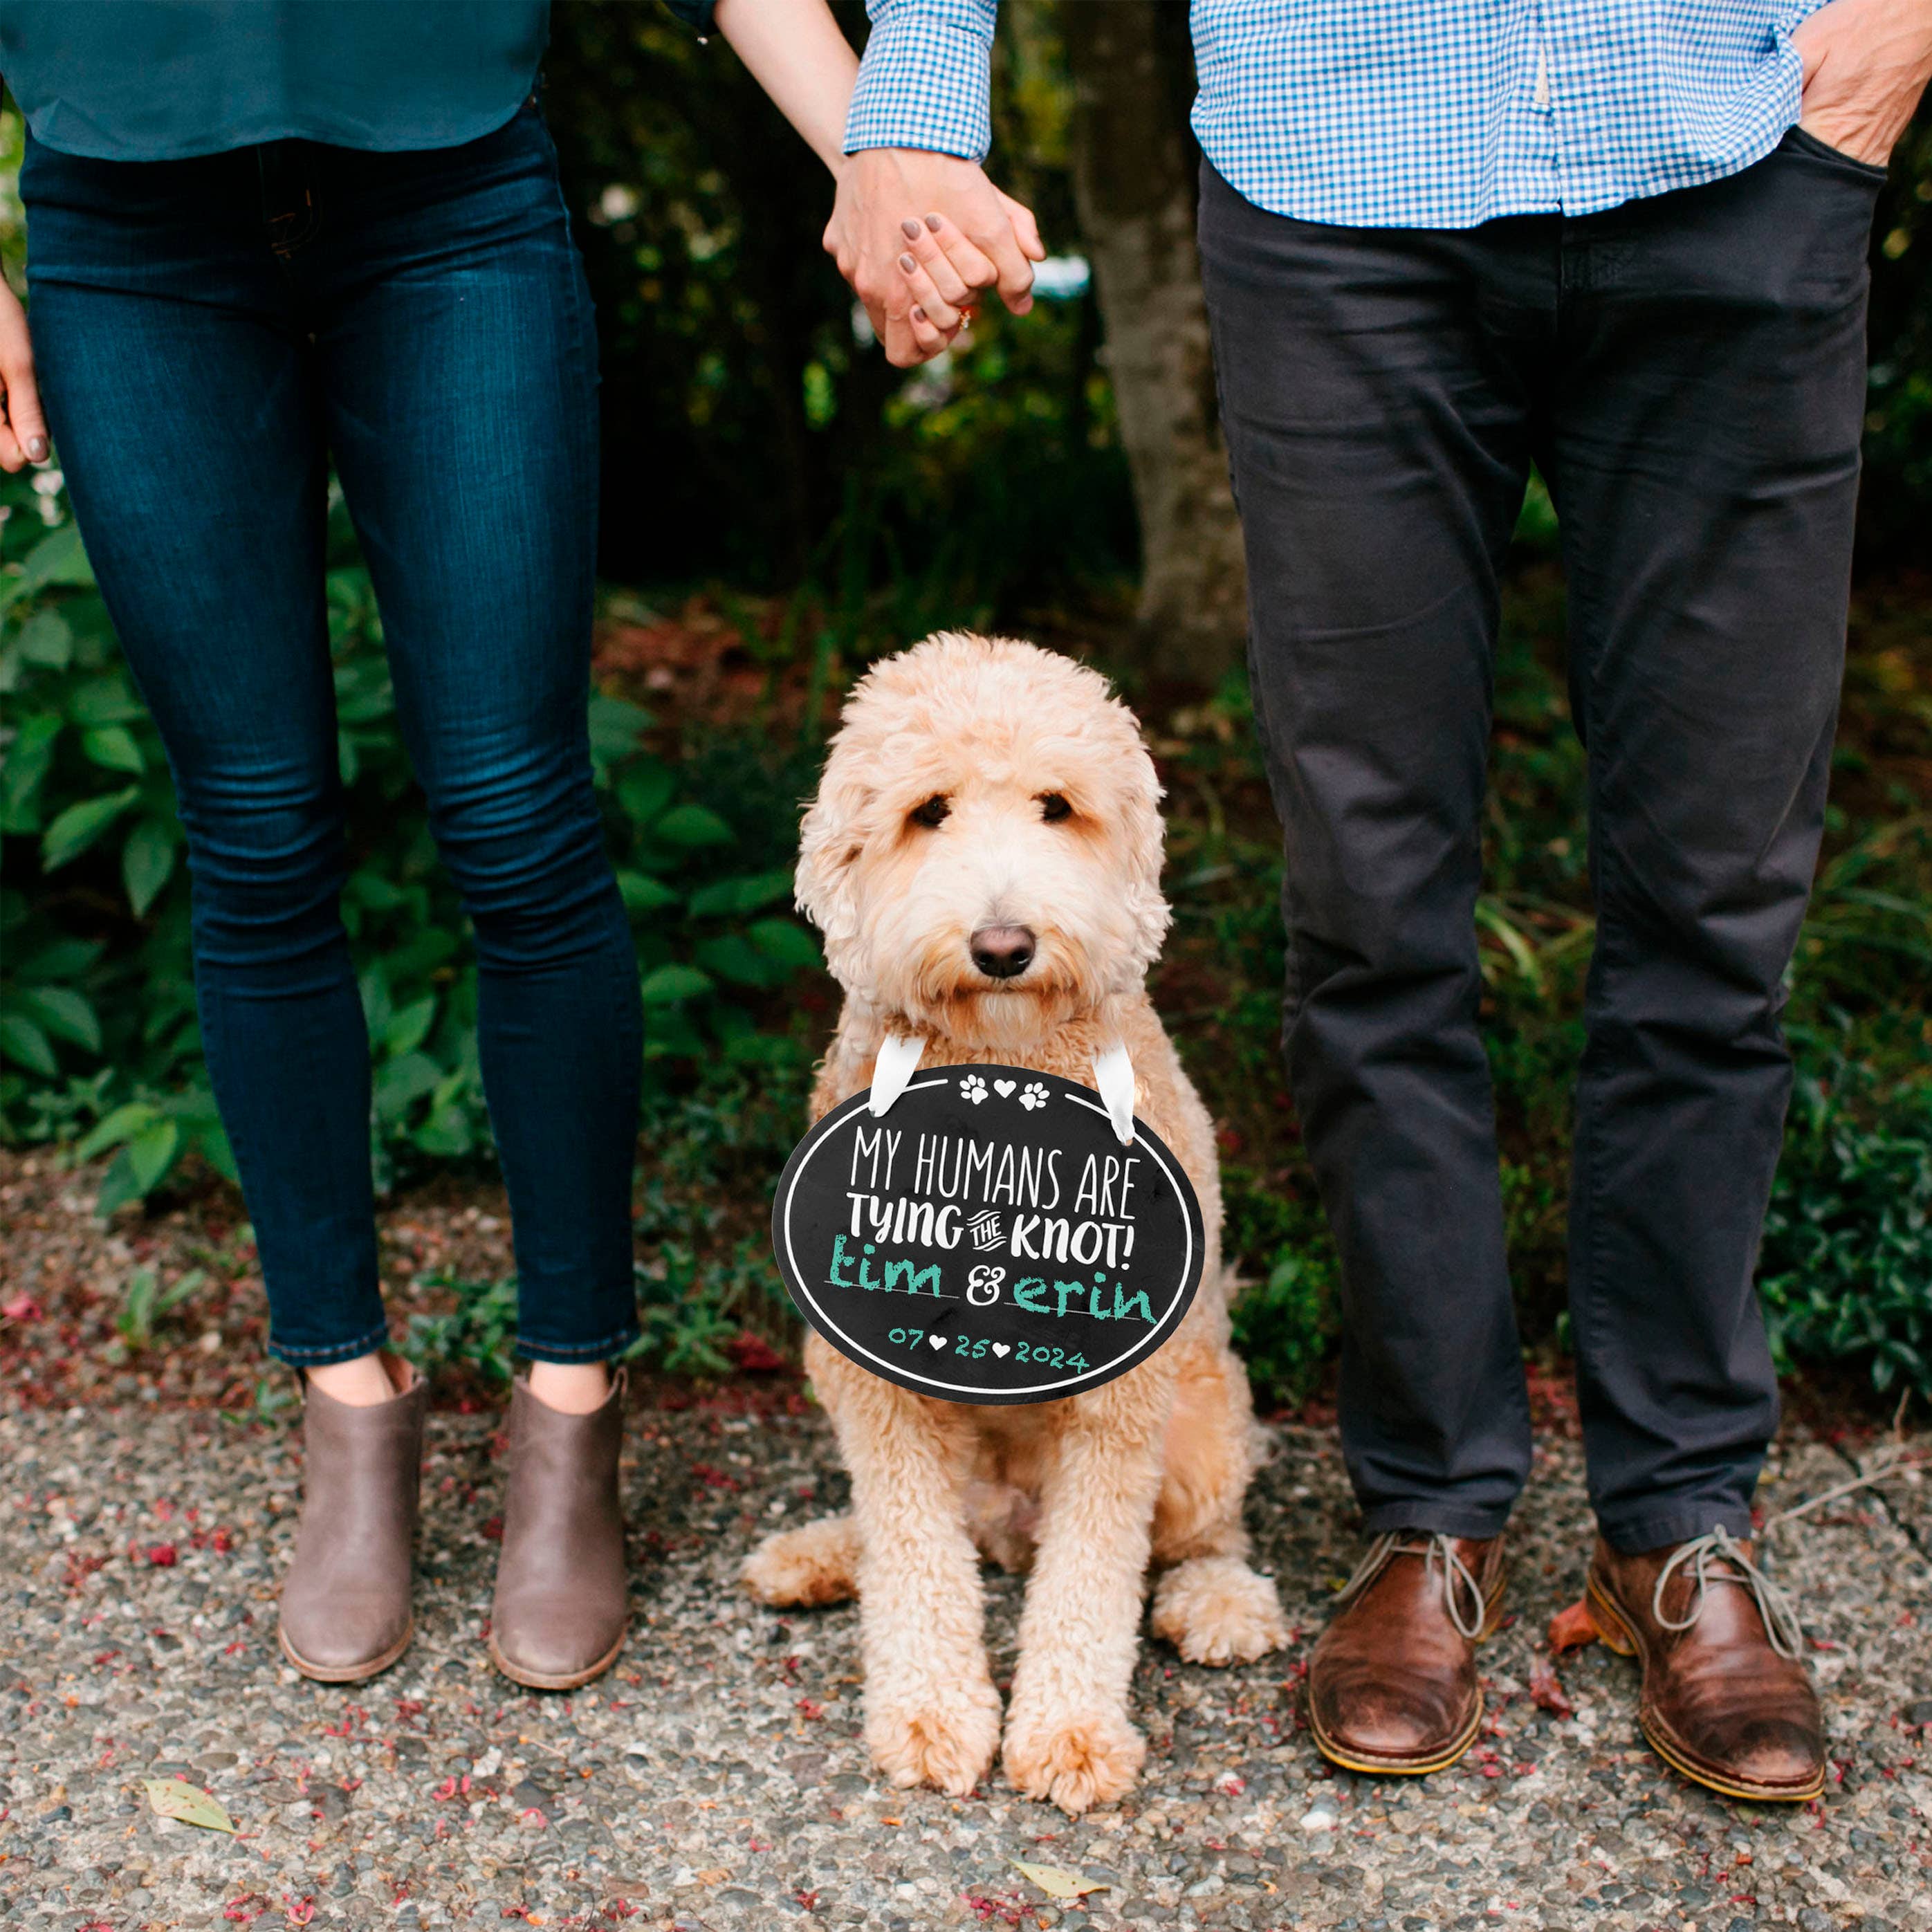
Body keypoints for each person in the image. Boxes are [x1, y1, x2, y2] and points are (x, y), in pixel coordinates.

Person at [828, 0, 1932, 1802]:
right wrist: (918, 98)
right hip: (1339, 179)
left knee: (1719, 909)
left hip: (1737, 148)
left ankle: (1677, 1521)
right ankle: (1428, 1510)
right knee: (1372, 910)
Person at [0, 0, 1036, 1691]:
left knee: (515, 813)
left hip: (451, 206)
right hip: (130, 230)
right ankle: (348, 1401)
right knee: (253, 832)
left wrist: (886, 150)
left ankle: (572, 1404)